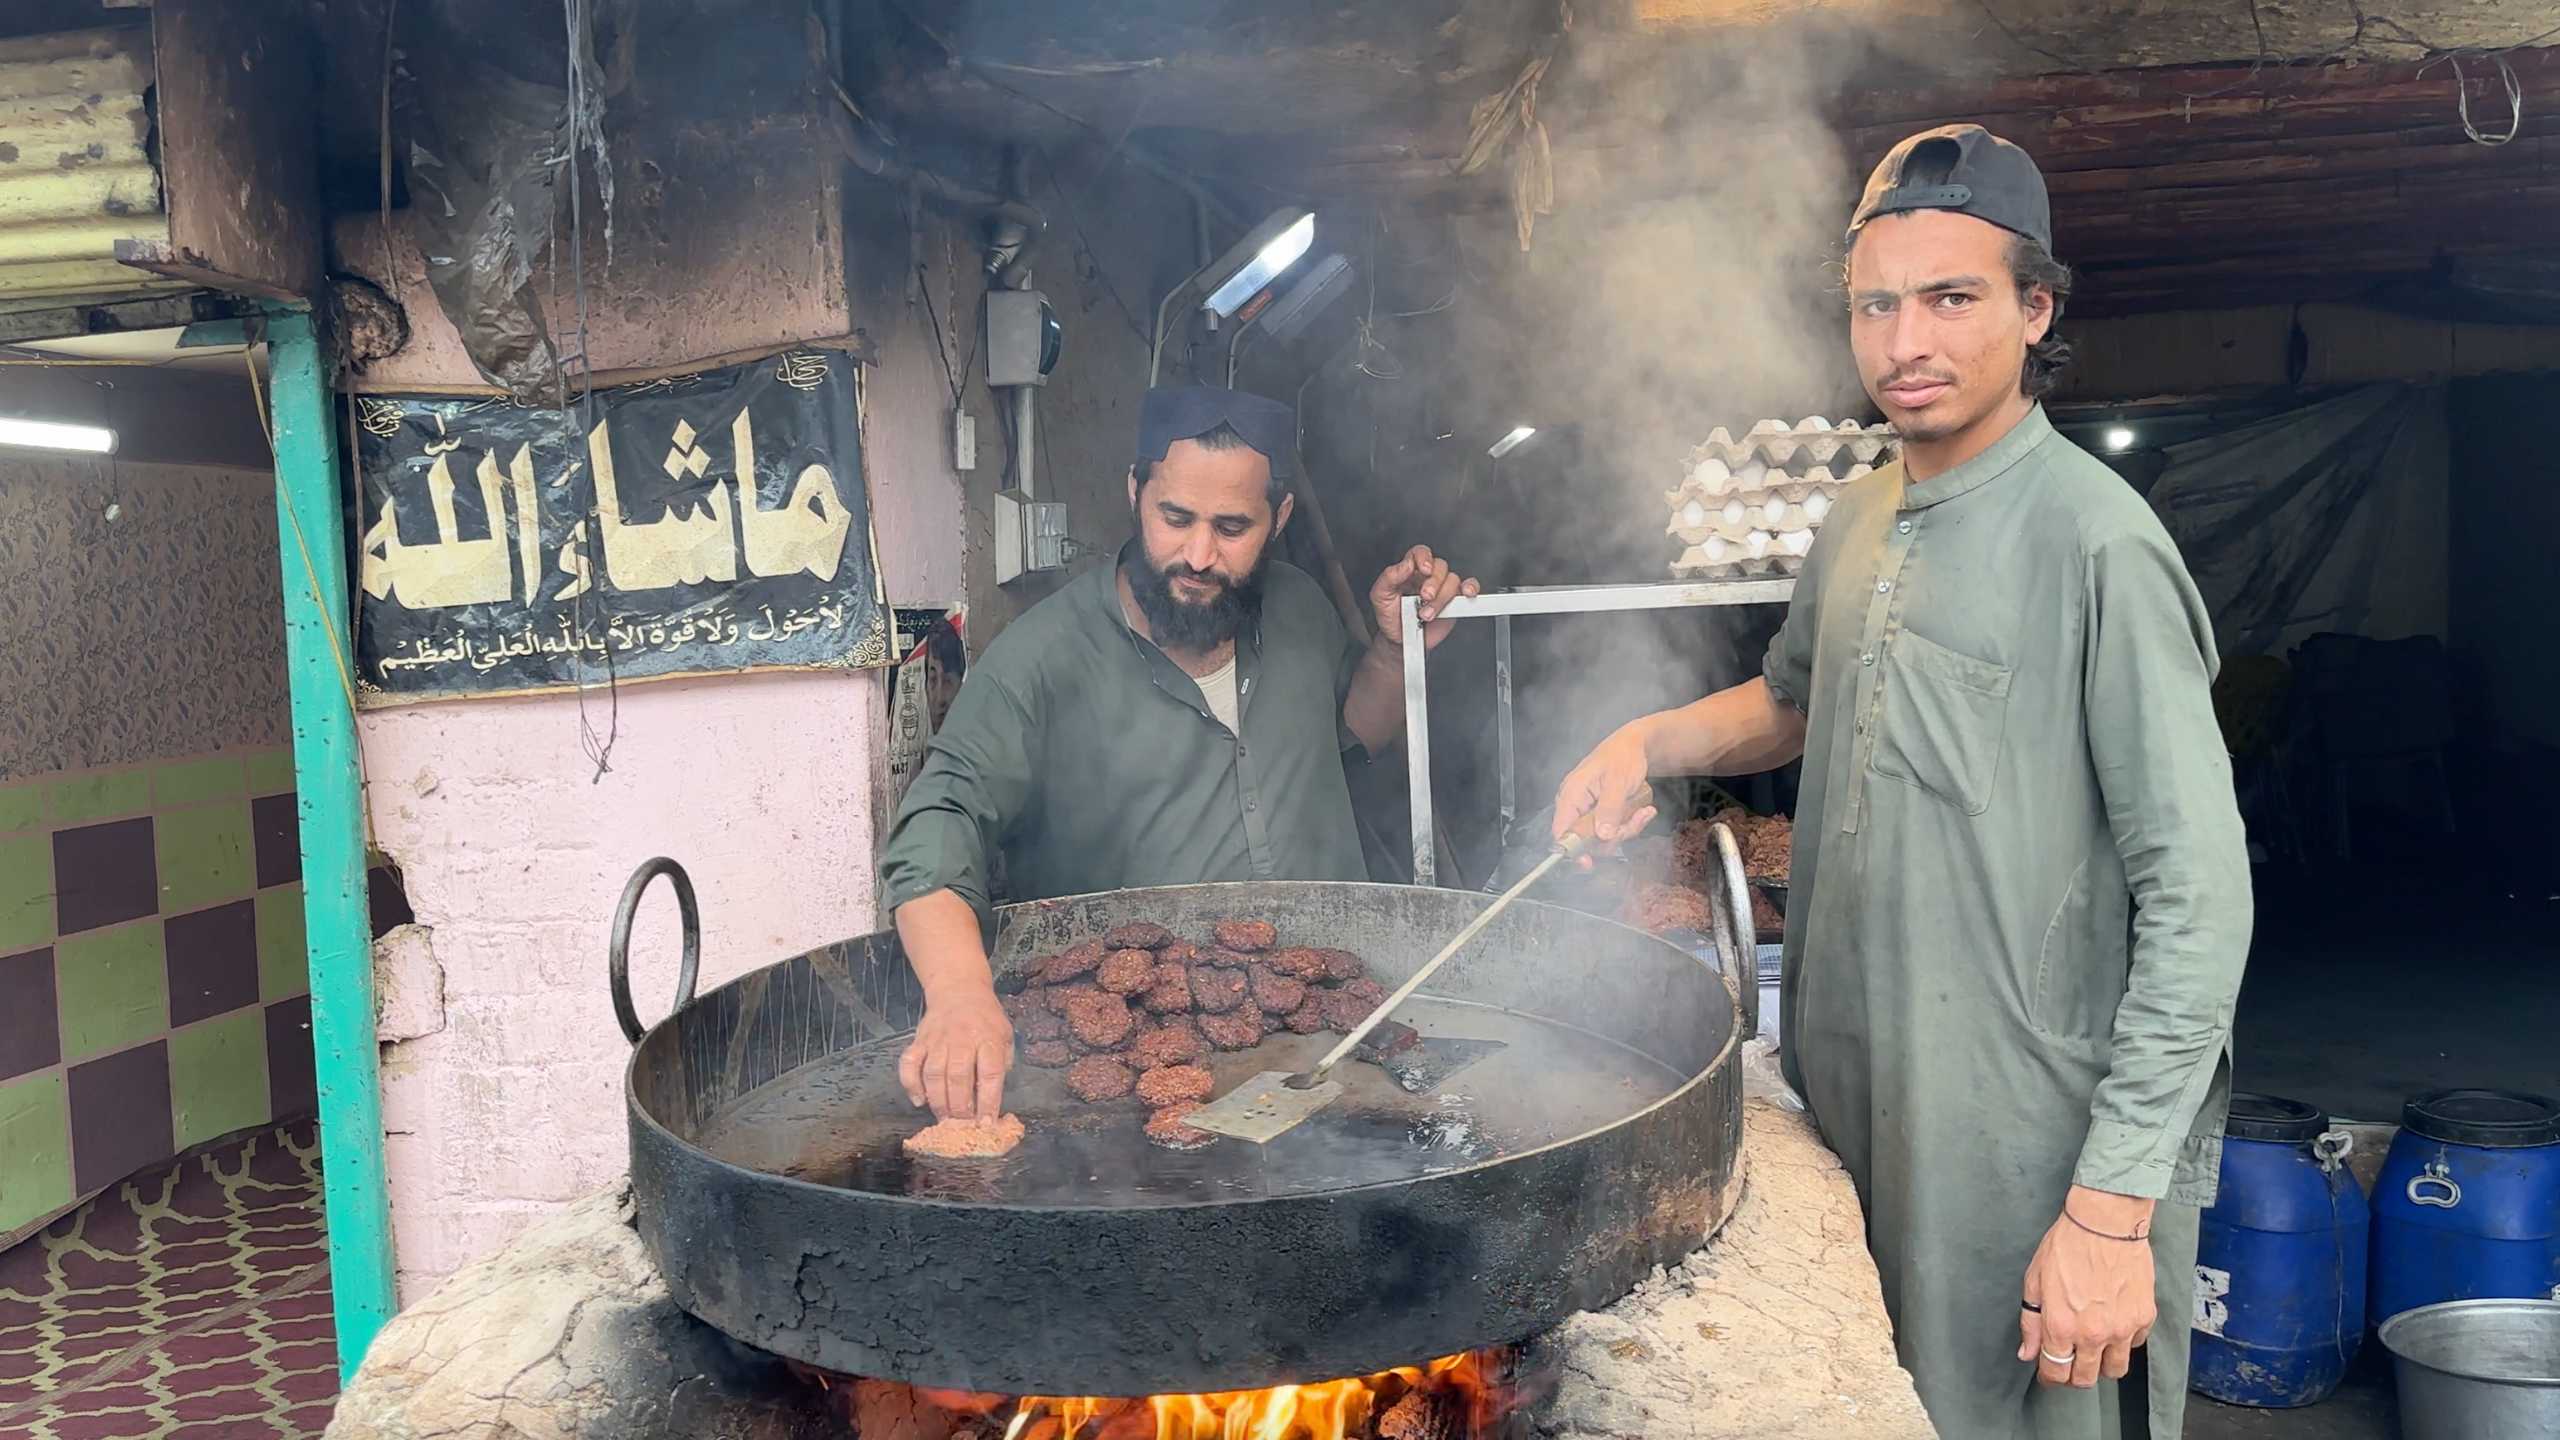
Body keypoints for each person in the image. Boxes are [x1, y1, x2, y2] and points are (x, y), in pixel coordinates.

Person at [1552, 125, 2250, 1439]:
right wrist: (1646, 742)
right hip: (1858, 1112)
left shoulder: (2099, 545)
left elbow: (2200, 901)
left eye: (1952, 299)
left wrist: (2109, 1209)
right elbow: (1797, 700)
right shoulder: (1860, 516)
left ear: (2036, 309)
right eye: (1877, 304)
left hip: (2024, 1151)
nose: (1905, 342)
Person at [880, 384, 1480, 1123]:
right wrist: (961, 995)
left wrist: (1393, 651)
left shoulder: (1297, 608)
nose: (1198, 555)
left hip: (1338, 1039)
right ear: (1135, 492)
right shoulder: (1042, 658)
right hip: (1142, 1080)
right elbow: (936, 825)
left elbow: (1356, 732)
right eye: (1175, 518)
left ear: (1279, 518)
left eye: (1232, 527)